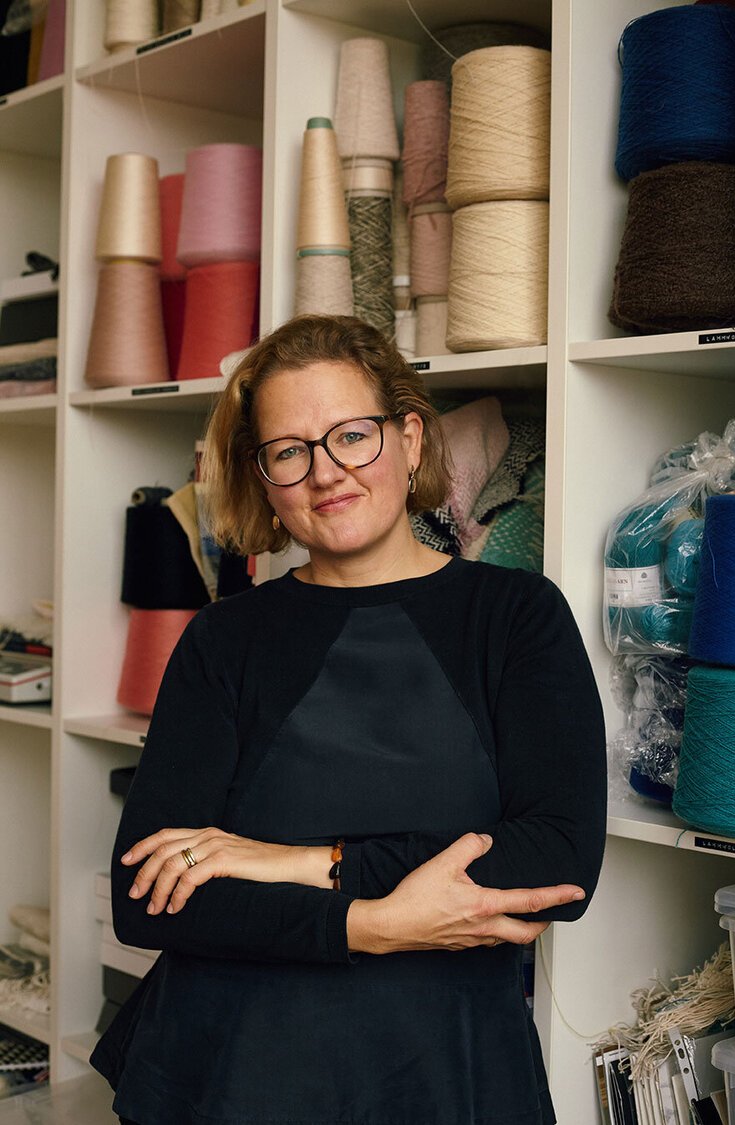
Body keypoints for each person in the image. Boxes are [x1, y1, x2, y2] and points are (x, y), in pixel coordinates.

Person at [91, 314, 607, 1125]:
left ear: (409, 437)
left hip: (447, 1073)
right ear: (264, 478)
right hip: (231, 1075)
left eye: (352, 436)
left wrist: (300, 862)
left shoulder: (517, 617)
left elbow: (557, 860)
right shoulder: (224, 639)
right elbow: (146, 894)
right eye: (289, 451)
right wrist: (371, 924)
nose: (326, 472)